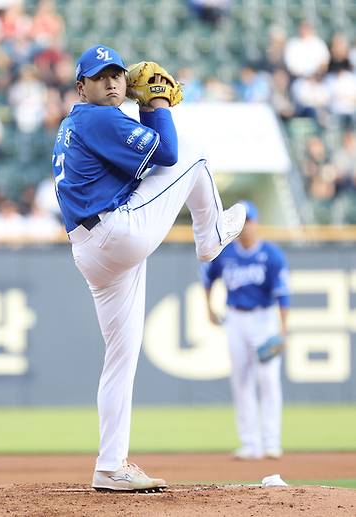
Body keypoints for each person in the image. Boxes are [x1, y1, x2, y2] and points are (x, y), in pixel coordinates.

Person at [52, 44, 246, 492]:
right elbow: (169, 153)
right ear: (81, 87)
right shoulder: (97, 116)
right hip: (116, 233)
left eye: (117, 74)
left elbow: (140, 168)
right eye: (100, 76)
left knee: (120, 359)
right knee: (195, 152)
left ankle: (110, 465)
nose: (113, 82)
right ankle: (210, 236)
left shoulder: (79, 124)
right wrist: (156, 102)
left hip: (93, 250)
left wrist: (144, 111)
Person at [201, 201, 290, 460]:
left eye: (248, 221)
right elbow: (207, 277)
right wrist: (208, 307)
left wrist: (283, 329)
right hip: (235, 320)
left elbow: (283, 295)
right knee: (240, 380)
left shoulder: (271, 255)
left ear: (256, 223)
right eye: (242, 222)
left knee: (268, 380)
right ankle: (250, 444)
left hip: (264, 319)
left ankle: (271, 442)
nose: (246, 226)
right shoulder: (226, 253)